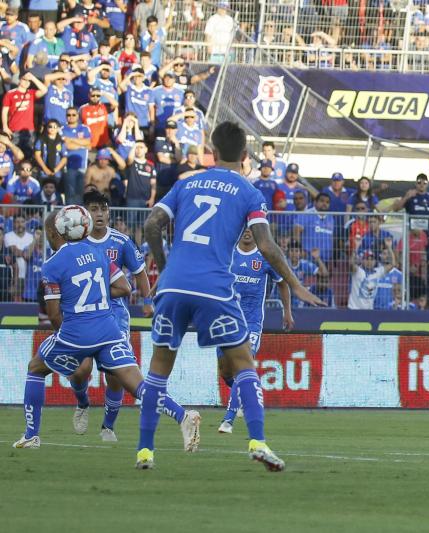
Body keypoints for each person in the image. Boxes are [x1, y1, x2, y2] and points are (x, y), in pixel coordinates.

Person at [138, 121, 322, 471]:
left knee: (159, 368)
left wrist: (165, 268)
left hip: (174, 283)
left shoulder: (186, 183)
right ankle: (258, 442)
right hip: (214, 286)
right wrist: (295, 283)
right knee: (243, 364)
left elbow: (150, 225)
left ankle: (145, 452)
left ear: (213, 151)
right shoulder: (249, 192)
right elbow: (266, 245)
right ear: (244, 155)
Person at [13, 209, 199, 450]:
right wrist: (95, 293)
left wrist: (65, 336)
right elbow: (124, 287)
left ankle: (31, 436)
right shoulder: (99, 253)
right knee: (138, 384)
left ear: (54, 231)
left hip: (76, 333)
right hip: (109, 330)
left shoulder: (52, 264)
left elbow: (54, 314)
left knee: (36, 368)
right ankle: (183, 416)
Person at [65, 190, 160, 440]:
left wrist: (147, 301)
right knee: (80, 370)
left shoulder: (121, 241)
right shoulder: (76, 243)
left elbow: (140, 272)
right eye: (93, 209)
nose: (99, 214)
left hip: (114, 314)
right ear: (85, 214)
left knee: (115, 374)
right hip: (84, 314)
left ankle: (108, 427)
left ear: (109, 213)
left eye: (103, 209)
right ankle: (82, 402)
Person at [217, 228, 293, 434]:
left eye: (252, 229)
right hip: (226, 320)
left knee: (241, 365)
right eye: (245, 228)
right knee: (224, 371)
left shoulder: (265, 256)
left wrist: (287, 311)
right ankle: (244, 396)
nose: (248, 232)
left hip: (251, 322)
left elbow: (283, 283)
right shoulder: (227, 253)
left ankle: (228, 420)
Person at [61, 107, 92, 204]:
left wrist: (71, 139)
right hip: (69, 166)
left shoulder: (84, 128)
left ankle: (80, 213)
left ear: (78, 116)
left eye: (73, 115)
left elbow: (88, 143)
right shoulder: (62, 129)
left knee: (81, 193)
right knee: (70, 194)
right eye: (68, 115)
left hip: (83, 166)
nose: (71, 117)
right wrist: (82, 144)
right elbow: (67, 145)